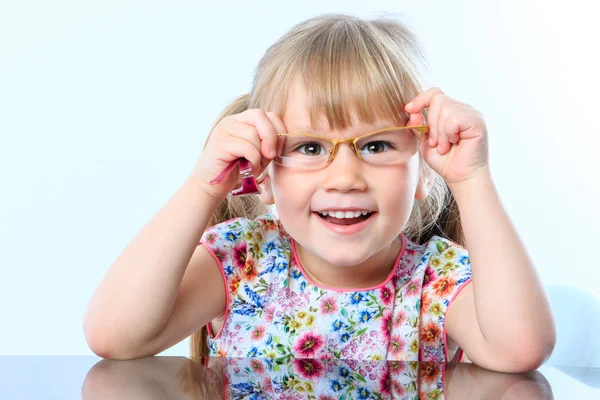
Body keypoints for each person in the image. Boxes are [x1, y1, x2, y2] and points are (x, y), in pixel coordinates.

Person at [83, 13, 556, 373]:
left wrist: (471, 180)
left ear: (424, 173)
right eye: (309, 147)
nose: (345, 177)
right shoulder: (242, 261)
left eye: (376, 145)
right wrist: (202, 187)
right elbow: (114, 336)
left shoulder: (435, 278)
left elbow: (520, 349)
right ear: (262, 173)